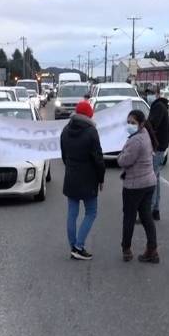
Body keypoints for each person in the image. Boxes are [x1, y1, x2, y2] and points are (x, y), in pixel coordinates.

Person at [60, 100, 105, 260]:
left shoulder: (65, 130)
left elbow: (64, 155)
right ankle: (79, 247)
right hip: (88, 178)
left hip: (71, 176)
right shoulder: (91, 132)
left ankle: (73, 245)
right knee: (91, 212)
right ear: (89, 115)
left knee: (72, 213)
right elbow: (98, 158)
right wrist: (101, 178)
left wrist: (71, 167)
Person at [118, 109, 159, 263]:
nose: (129, 125)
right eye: (128, 122)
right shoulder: (145, 134)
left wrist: (120, 155)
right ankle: (152, 250)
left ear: (141, 124)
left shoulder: (135, 140)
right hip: (148, 183)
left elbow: (124, 161)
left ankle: (126, 249)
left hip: (134, 185)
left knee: (129, 217)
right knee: (146, 216)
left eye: (132, 123)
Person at [145, 87, 169, 221]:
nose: (149, 96)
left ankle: (149, 211)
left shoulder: (158, 107)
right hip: (159, 146)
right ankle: (155, 210)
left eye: (151, 93)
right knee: (156, 177)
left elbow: (152, 124)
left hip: (157, 147)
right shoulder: (157, 106)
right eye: (147, 93)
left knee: (151, 179)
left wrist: (142, 124)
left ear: (158, 94)